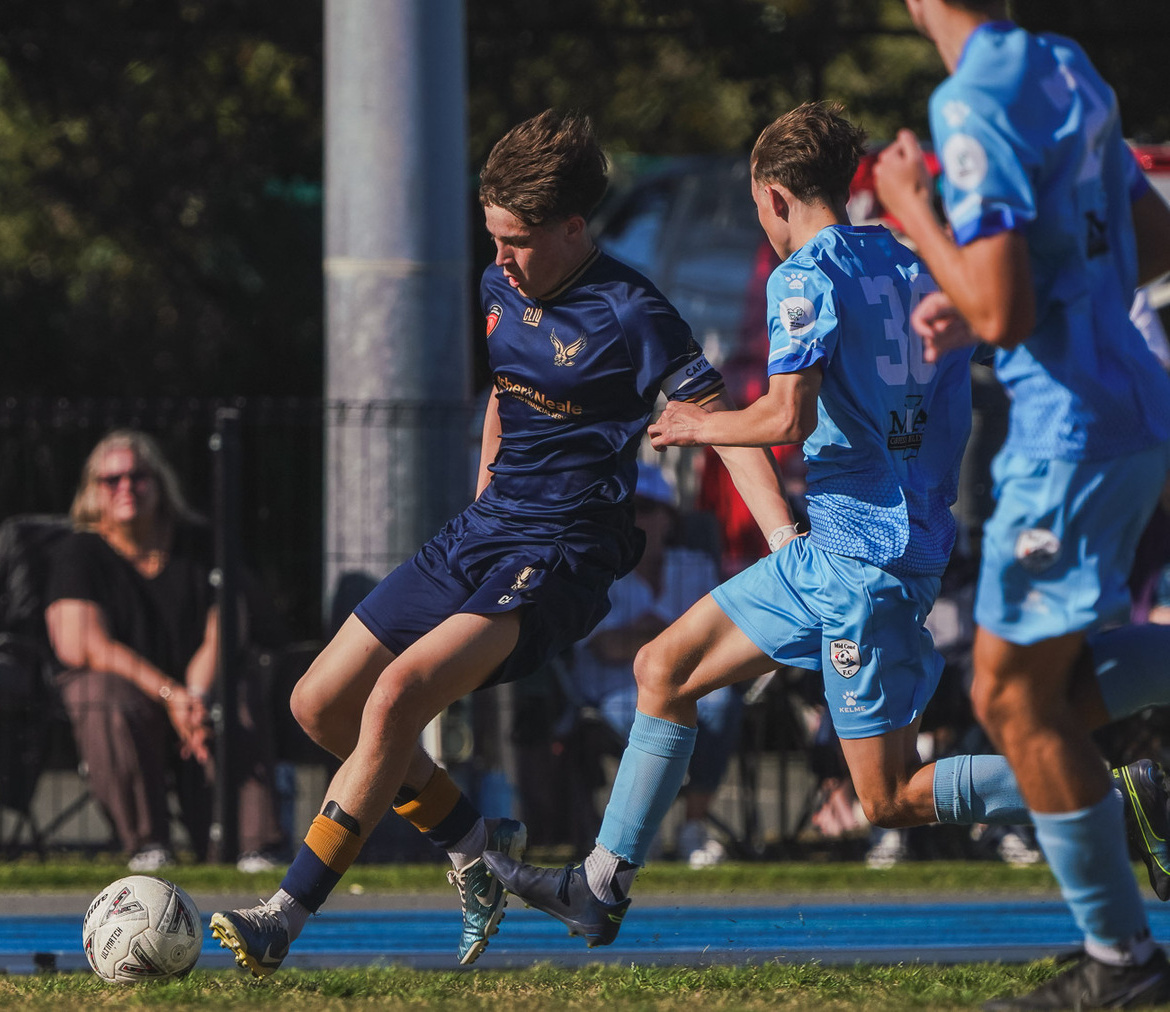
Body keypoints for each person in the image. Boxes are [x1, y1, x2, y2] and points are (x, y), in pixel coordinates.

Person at [490, 100, 1126, 952]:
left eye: (760, 209)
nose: (764, 227)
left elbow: (787, 416)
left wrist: (692, 425)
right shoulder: (910, 264)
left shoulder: (804, 276)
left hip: (862, 565)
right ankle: (600, 884)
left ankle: (1116, 793)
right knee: (663, 668)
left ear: (777, 196)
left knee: (889, 796)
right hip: (848, 549)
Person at [209, 110, 795, 976]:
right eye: (491, 238)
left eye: (516, 241)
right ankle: (480, 847)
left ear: (571, 227)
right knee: (318, 705)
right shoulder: (498, 287)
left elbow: (725, 428)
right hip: (484, 533)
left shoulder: (634, 311)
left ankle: (281, 919)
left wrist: (781, 538)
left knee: (396, 695)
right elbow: (504, 394)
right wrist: (484, 494)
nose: (499, 259)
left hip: (562, 552)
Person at [874, 2, 1170, 1006]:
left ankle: (1120, 963)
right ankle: (1115, 954)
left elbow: (1004, 307)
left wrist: (909, 205)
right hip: (1129, 407)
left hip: (1067, 433)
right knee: (1048, 688)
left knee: (1010, 697)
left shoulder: (972, 99)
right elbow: (1148, 237)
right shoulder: (1063, 66)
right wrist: (984, 306)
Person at [45, 429, 285, 873]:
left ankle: (252, 847)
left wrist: (193, 696)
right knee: (97, 694)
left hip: (197, 685)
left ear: (159, 482)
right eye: (110, 480)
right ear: (92, 491)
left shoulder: (200, 542)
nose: (126, 487)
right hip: (132, 692)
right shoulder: (78, 552)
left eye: (137, 476)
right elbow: (88, 646)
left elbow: (225, 628)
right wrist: (171, 695)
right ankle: (148, 845)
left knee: (237, 693)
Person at [560, 464, 739, 868]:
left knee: (723, 705)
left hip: (689, 689)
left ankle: (692, 828)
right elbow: (606, 647)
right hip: (613, 690)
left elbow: (718, 642)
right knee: (641, 719)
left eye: (645, 508)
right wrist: (671, 640)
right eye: (627, 509)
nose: (634, 519)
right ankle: (645, 827)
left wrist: (643, 639)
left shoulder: (694, 566)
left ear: (669, 518)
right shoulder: (599, 570)